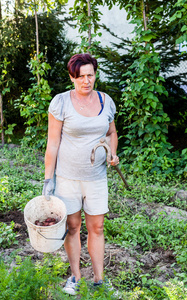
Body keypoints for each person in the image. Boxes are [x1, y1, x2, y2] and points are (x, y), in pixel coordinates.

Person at [42, 53, 119, 295]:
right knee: (73, 227)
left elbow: (111, 132)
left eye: (90, 75)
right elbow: (52, 144)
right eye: (81, 76)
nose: (86, 81)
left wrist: (112, 153)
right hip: (67, 178)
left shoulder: (106, 101)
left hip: (96, 178)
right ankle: (75, 276)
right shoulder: (61, 102)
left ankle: (99, 280)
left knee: (97, 228)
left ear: (95, 75)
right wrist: (48, 179)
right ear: (72, 77)